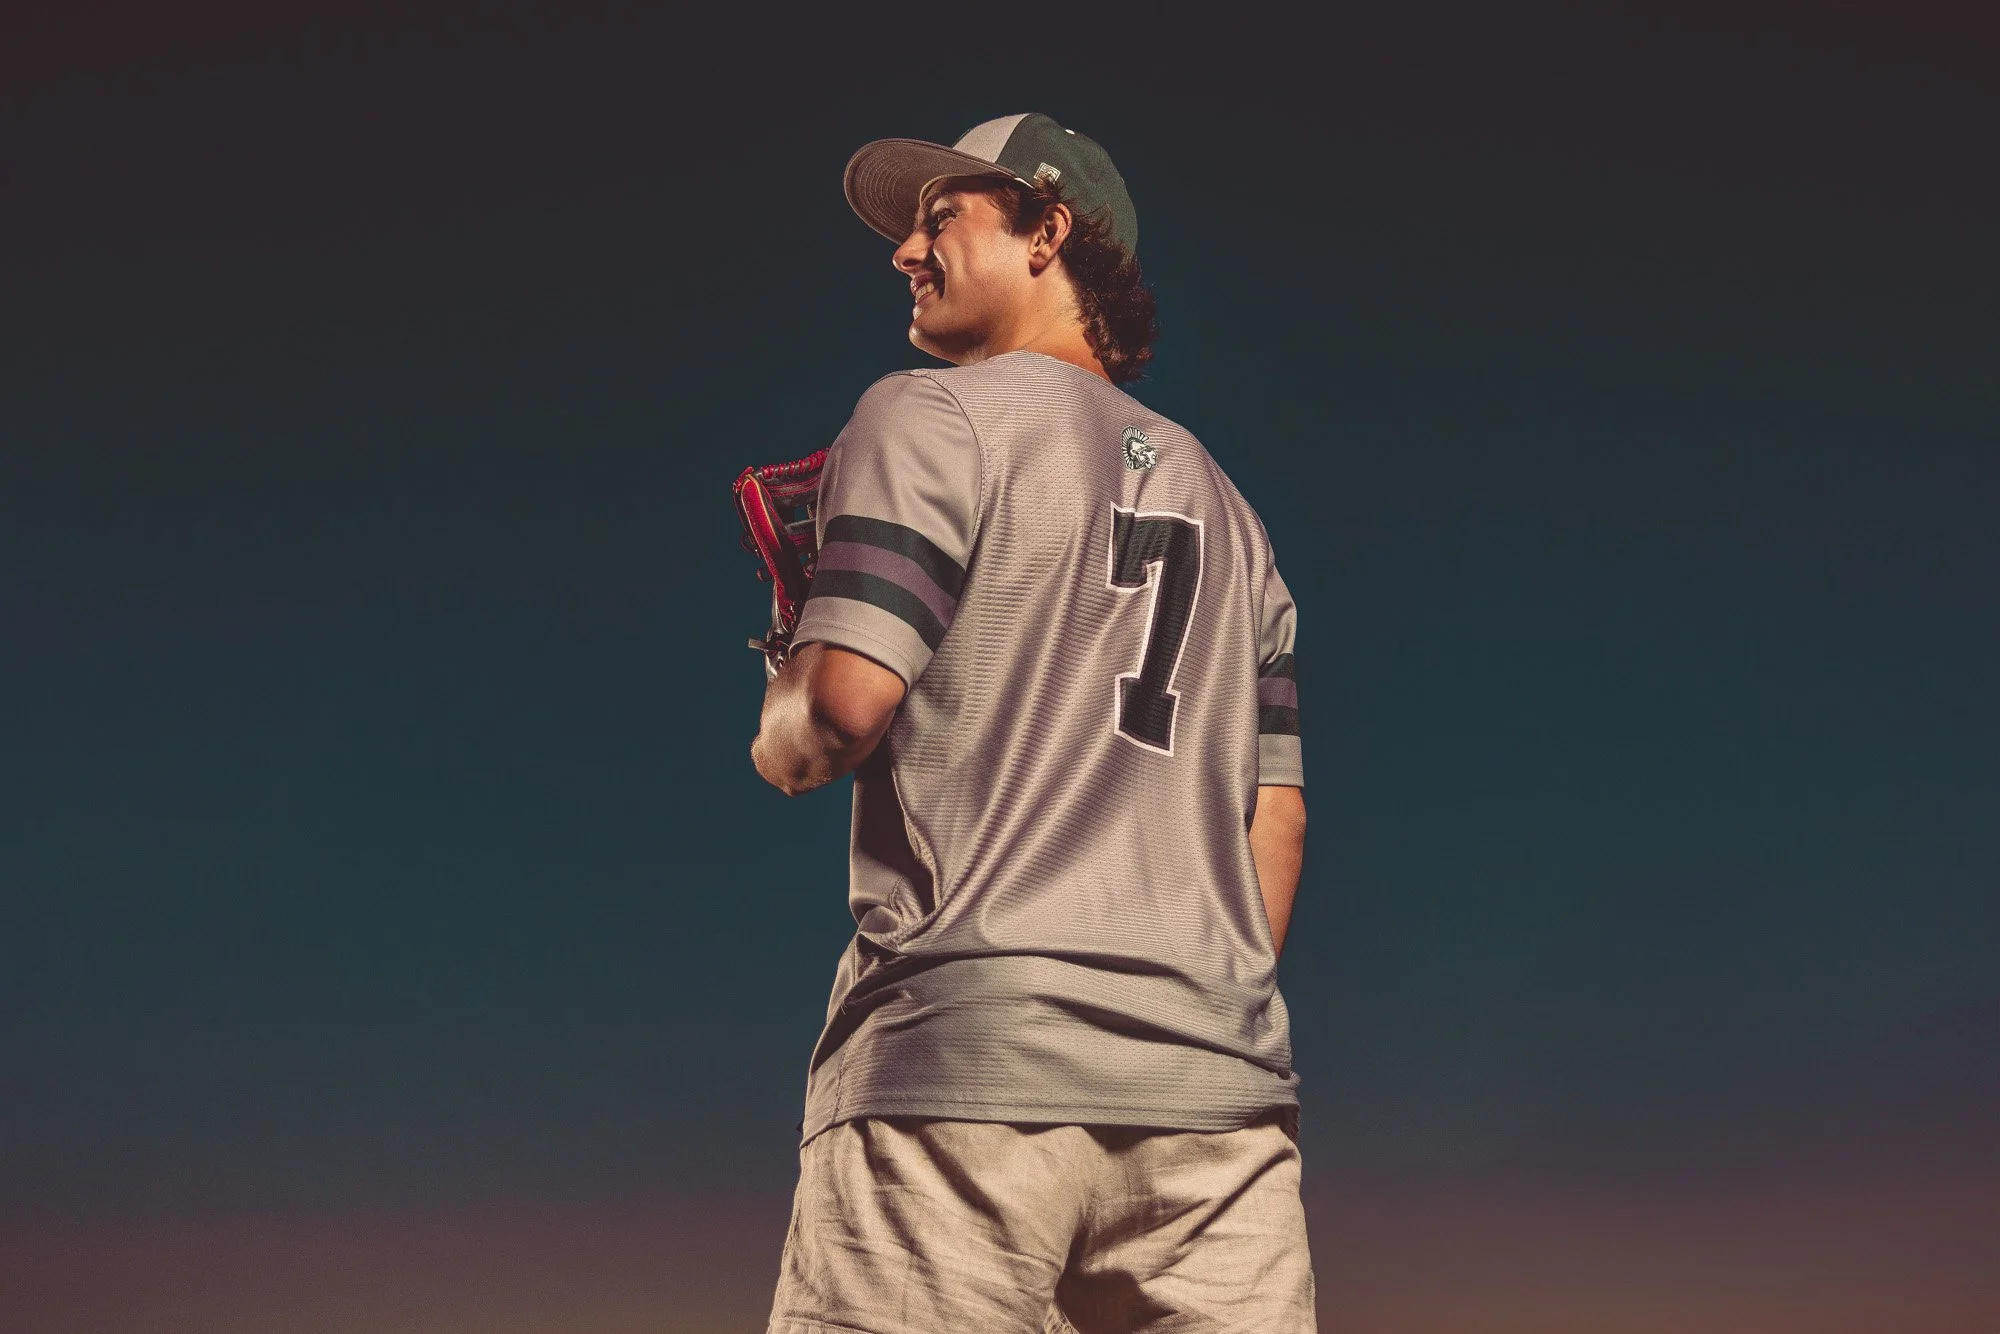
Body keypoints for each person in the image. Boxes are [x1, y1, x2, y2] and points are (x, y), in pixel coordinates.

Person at [751, 113, 1313, 1334]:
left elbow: (834, 716)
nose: (906, 250)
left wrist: (786, 673)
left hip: (961, 1084)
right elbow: (1272, 827)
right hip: (1215, 1121)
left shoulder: (929, 415)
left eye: (939, 217)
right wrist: (1185, 1012)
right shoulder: (1237, 519)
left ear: (1046, 231)